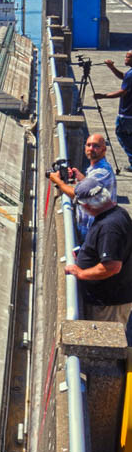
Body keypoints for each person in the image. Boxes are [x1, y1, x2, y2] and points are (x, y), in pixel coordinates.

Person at [64, 177, 132, 327]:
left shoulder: (109, 227)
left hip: (108, 303)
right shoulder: (117, 212)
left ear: (88, 206)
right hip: (108, 298)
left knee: (107, 344)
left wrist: (80, 273)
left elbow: (112, 266)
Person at [48, 133, 116, 240]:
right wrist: (82, 179)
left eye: (96, 146)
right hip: (89, 229)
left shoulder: (102, 172)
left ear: (104, 149)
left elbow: (77, 194)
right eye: (88, 145)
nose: (91, 148)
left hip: (94, 233)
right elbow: (93, 190)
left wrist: (58, 182)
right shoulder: (94, 168)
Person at [94, 50, 132, 171]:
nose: (125, 59)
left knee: (121, 134)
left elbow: (123, 92)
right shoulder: (130, 74)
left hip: (126, 113)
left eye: (128, 57)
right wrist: (112, 67)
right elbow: (124, 77)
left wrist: (104, 96)